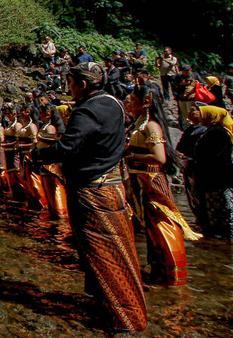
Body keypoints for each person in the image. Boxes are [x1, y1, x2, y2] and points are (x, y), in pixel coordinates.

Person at [31, 62, 147, 332]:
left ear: (83, 84)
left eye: (71, 83)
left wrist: (38, 155)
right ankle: (113, 307)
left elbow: (69, 147)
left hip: (92, 191)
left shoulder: (87, 110)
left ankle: (121, 320)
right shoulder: (114, 103)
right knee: (117, 249)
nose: (69, 88)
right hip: (112, 186)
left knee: (100, 252)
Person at [123, 86, 200, 286]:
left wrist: (131, 156)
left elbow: (159, 157)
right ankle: (157, 269)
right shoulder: (137, 124)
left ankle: (174, 273)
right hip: (138, 180)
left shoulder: (151, 126)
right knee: (149, 226)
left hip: (151, 181)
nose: (129, 103)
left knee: (162, 223)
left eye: (132, 99)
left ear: (146, 102)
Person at [191, 107, 233, 240]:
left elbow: (211, 158)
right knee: (221, 215)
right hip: (217, 181)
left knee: (226, 215)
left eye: (203, 114)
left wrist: (193, 163)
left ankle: (229, 243)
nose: (200, 117)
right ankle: (224, 245)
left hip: (222, 181)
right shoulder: (212, 132)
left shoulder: (217, 133)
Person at [35, 103, 68, 218]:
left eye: (41, 113)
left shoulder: (51, 127)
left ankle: (60, 214)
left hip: (52, 165)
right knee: (48, 191)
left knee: (55, 191)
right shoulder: (45, 126)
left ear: (48, 114)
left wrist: (40, 138)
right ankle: (52, 213)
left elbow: (56, 141)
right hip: (44, 163)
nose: (40, 116)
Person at [16, 106, 45, 209]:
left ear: (28, 112)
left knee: (31, 179)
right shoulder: (24, 125)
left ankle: (38, 202)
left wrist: (22, 146)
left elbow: (35, 143)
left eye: (23, 111)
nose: (21, 113)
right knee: (24, 178)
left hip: (28, 155)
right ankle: (30, 200)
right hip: (22, 155)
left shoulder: (32, 126)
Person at [175, 65, 200, 129]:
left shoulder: (195, 75)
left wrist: (196, 84)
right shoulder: (179, 76)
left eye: (187, 71)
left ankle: (192, 124)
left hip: (191, 97)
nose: (186, 73)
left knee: (190, 111)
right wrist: (180, 84)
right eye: (184, 71)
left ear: (190, 70)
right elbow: (174, 85)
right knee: (184, 112)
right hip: (181, 97)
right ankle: (187, 125)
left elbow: (201, 83)